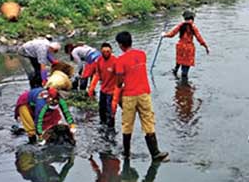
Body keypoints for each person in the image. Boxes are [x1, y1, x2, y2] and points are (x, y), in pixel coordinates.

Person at [115, 31, 169, 162]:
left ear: (121, 45)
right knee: (148, 121)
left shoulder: (120, 60)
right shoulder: (142, 55)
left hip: (129, 95)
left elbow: (119, 81)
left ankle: (126, 153)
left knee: (127, 124)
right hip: (144, 93)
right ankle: (155, 153)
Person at [164, 10, 209, 80]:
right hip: (189, 48)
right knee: (185, 69)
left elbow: (171, 34)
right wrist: (205, 46)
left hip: (180, 47)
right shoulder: (193, 27)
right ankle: (184, 84)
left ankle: (175, 71)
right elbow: (199, 38)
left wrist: (164, 35)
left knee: (179, 60)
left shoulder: (180, 25)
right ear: (192, 18)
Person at [85, 43, 118, 127]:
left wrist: (116, 97)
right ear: (101, 51)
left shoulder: (115, 61)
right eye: (104, 51)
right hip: (103, 90)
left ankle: (111, 130)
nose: (106, 53)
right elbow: (97, 74)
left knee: (110, 112)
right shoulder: (99, 60)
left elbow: (120, 78)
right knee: (101, 110)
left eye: (108, 51)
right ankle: (102, 128)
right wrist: (91, 88)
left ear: (111, 51)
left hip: (112, 91)